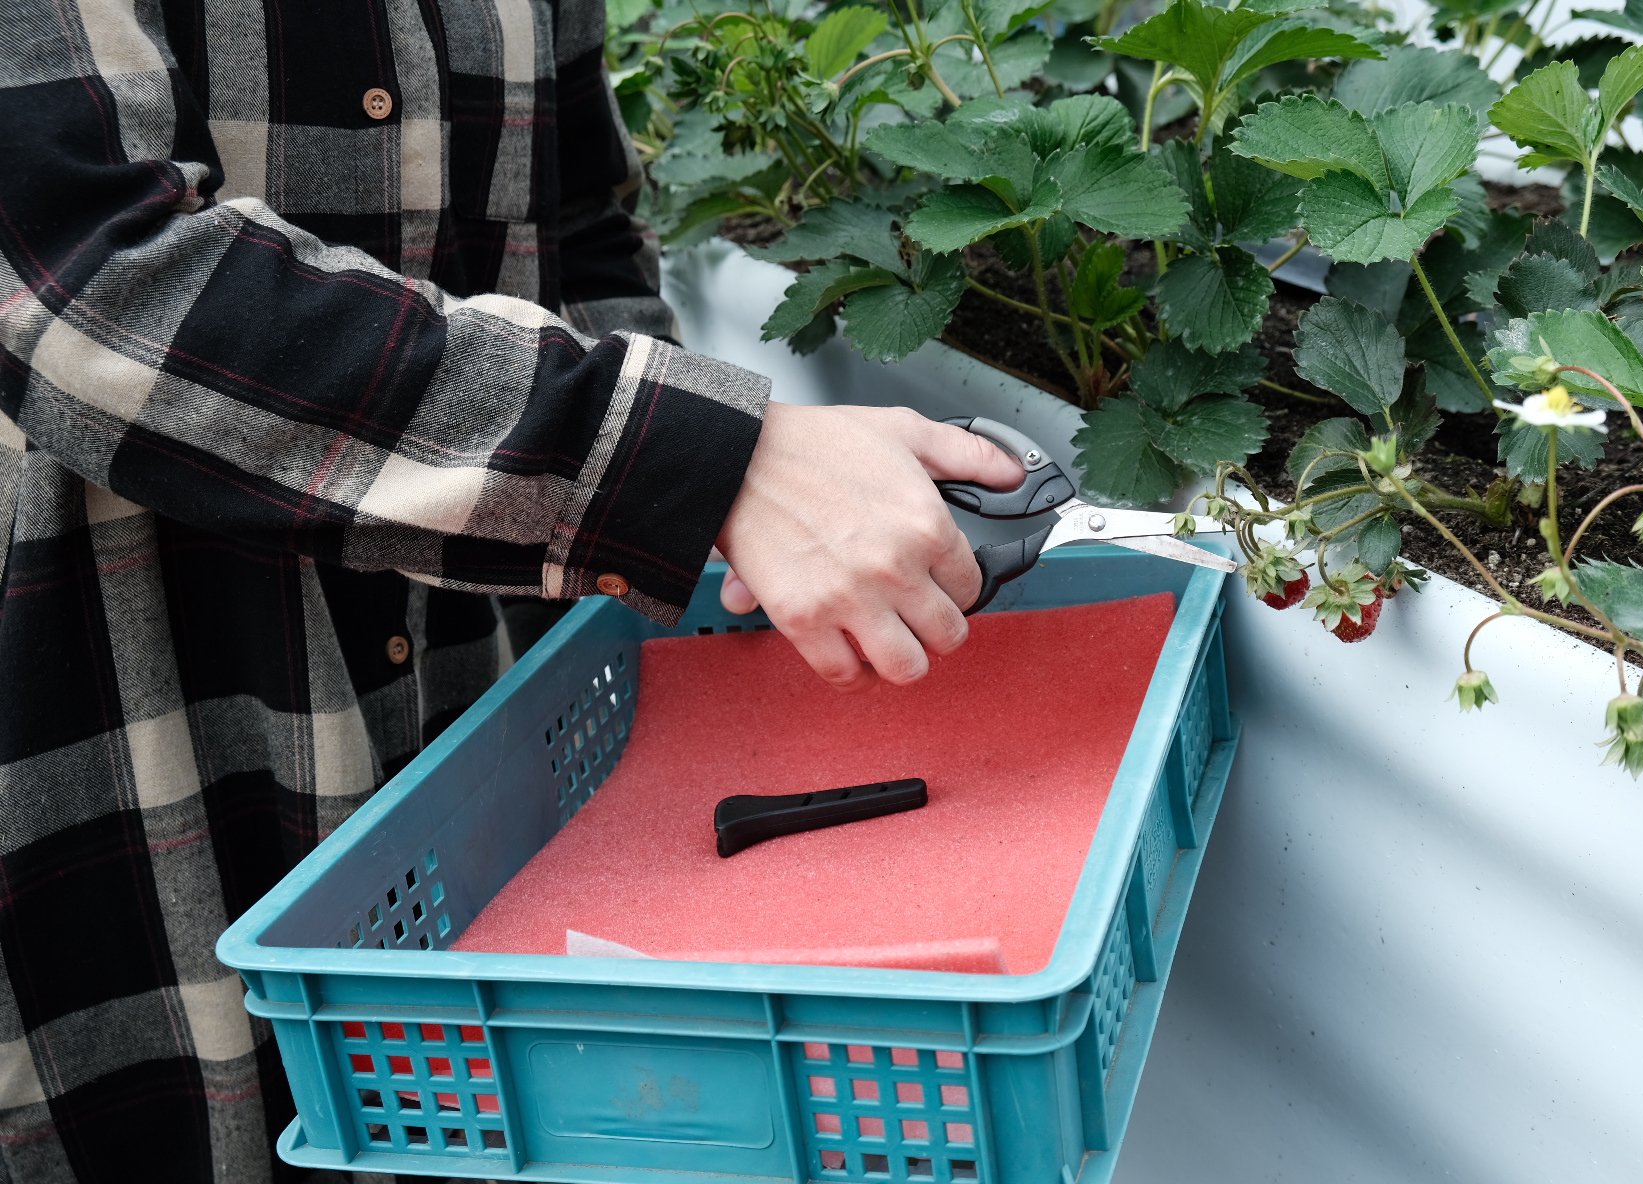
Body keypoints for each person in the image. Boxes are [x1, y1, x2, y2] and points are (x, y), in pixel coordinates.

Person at [0, 1, 1021, 1180]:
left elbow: (575, 230)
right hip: (135, 705)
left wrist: (704, 532)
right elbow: (80, 283)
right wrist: (693, 459)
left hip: (476, 689)